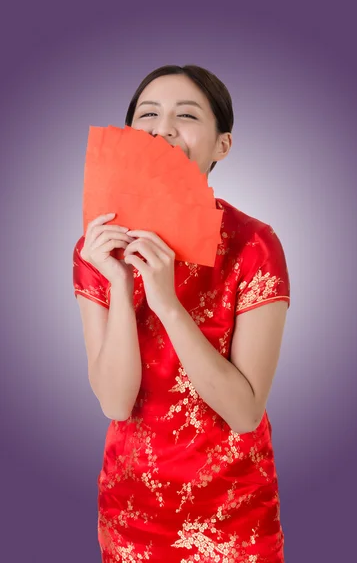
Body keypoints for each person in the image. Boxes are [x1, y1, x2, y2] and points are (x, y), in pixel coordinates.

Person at [73, 64, 291, 562]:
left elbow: (244, 410)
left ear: (222, 145)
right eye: (148, 114)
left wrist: (167, 304)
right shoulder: (95, 248)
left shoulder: (254, 245)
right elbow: (114, 401)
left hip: (233, 515)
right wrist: (121, 280)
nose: (164, 127)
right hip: (132, 512)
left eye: (186, 115)